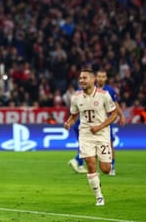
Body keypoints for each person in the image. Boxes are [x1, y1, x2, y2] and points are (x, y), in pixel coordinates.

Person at [64, 69, 117, 206]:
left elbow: (113, 114)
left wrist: (100, 127)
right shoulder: (76, 97)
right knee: (90, 163)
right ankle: (99, 196)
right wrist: (69, 122)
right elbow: (74, 116)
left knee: (105, 169)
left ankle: (100, 163)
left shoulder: (104, 95)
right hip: (86, 134)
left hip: (102, 134)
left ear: (93, 80)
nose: (81, 80)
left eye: (85, 78)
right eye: (80, 78)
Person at [95, 69, 125, 176]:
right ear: (96, 77)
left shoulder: (110, 90)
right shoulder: (91, 89)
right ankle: (95, 169)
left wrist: (121, 115)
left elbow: (115, 104)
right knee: (94, 145)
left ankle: (112, 166)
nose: (100, 78)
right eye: (99, 76)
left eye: (103, 77)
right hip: (94, 122)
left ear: (106, 78)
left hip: (106, 121)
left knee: (109, 144)